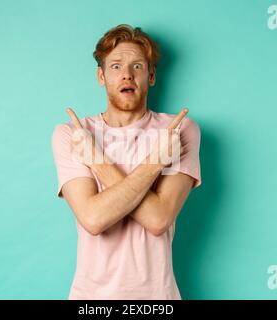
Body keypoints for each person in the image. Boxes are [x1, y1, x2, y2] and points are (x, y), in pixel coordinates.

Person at [51, 24, 201, 299]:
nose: (126, 76)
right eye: (116, 66)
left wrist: (97, 161)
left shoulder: (179, 131)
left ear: (152, 75)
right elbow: (94, 219)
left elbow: (158, 220)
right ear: (101, 76)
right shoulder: (72, 134)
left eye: (137, 67)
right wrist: (157, 162)